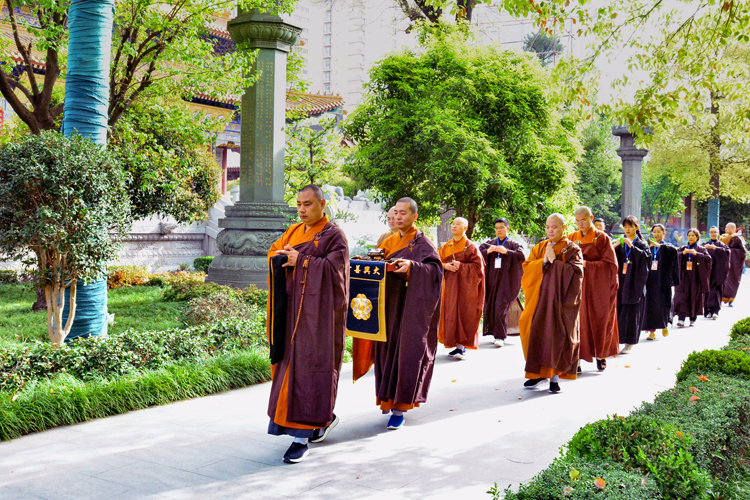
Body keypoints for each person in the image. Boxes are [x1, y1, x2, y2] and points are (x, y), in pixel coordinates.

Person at [266, 185, 349, 464]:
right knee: (290, 368)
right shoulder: (293, 231)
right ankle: (317, 420)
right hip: (291, 314)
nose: (302, 210)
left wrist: (300, 260)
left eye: (308, 204)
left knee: (312, 369)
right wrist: (284, 257)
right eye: (299, 204)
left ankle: (301, 438)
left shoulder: (334, 236)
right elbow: (275, 252)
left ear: (322, 204)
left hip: (318, 318)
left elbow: (337, 274)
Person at [352, 197, 443, 430]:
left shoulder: (423, 244)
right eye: (396, 213)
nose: (399, 217)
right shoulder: (389, 240)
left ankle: (400, 408)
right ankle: (387, 399)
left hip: (410, 309)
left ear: (414, 217)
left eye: (404, 213)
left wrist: (412, 268)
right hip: (387, 308)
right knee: (386, 353)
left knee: (407, 354)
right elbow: (378, 264)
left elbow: (435, 272)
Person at [519, 214, 583, 394]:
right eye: (547, 227)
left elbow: (577, 274)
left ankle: (554, 378)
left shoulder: (572, 249)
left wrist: (555, 262)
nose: (550, 230)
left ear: (563, 228)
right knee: (532, 331)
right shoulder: (540, 247)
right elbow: (527, 267)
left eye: (554, 227)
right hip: (539, 300)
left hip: (560, 302)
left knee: (556, 336)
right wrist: (545, 261)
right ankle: (538, 374)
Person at [568, 207, 619, 372]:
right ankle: (577, 360)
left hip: (598, 287)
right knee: (578, 322)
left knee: (600, 320)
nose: (580, 224)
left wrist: (587, 265)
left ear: (591, 217)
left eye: (583, 220)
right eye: (577, 221)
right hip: (578, 286)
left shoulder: (602, 238)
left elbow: (611, 265)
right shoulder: (572, 237)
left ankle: (601, 355)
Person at [438, 217, 485, 359]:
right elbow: (435, 262)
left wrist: (462, 267)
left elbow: (479, 269)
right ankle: (455, 344)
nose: (454, 226)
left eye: (458, 224)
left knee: (465, 313)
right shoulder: (447, 246)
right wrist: (445, 266)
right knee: (451, 313)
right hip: (450, 286)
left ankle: (462, 346)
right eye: (453, 224)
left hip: (466, 288)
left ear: (465, 228)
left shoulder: (471, 247)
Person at [478, 217, 524, 347]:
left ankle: (500, 336)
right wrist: (488, 251)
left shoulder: (513, 244)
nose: (498, 230)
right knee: (492, 306)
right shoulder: (490, 243)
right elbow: (477, 254)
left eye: (501, 228)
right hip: (491, 281)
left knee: (500, 307)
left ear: (507, 228)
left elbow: (521, 256)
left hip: (506, 282)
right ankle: (495, 333)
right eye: (496, 228)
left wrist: (507, 252)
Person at [613, 216, 651, 354]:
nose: (627, 229)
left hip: (635, 284)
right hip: (622, 282)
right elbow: (610, 257)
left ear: (636, 227)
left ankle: (630, 342)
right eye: (625, 226)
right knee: (619, 312)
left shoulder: (642, 244)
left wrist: (632, 247)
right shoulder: (620, 242)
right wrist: (616, 245)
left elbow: (646, 259)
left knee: (632, 313)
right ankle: (618, 340)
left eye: (630, 226)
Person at [642, 224, 680, 340]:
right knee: (650, 305)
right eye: (654, 232)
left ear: (664, 234)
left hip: (663, 282)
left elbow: (673, 253)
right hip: (651, 281)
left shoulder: (667, 247)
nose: (656, 234)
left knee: (663, 304)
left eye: (659, 232)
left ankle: (664, 325)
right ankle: (651, 331)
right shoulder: (649, 246)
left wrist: (660, 246)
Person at [673, 228, 711, 327]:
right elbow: (674, 257)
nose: (691, 237)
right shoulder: (683, 248)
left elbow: (708, 259)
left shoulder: (701, 249)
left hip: (696, 278)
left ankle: (693, 318)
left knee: (695, 296)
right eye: (689, 235)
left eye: (693, 235)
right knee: (682, 297)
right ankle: (681, 319)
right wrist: (683, 254)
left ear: (697, 237)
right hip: (684, 277)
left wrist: (697, 254)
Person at [704, 226, 730, 319]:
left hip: (718, 271)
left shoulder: (722, 245)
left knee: (716, 290)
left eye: (715, 232)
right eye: (711, 232)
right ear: (709, 233)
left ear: (718, 233)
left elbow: (727, 253)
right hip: (707, 272)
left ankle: (715, 310)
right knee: (707, 290)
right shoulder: (705, 244)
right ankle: (708, 310)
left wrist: (716, 248)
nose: (713, 234)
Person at [720, 222, 745, 307]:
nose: (726, 229)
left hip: (735, 264)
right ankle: (721, 298)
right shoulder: (724, 236)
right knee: (723, 280)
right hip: (724, 262)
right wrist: (730, 237)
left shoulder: (738, 239)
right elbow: (721, 243)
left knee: (733, 280)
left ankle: (731, 299)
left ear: (732, 229)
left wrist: (732, 252)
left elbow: (743, 251)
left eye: (727, 228)